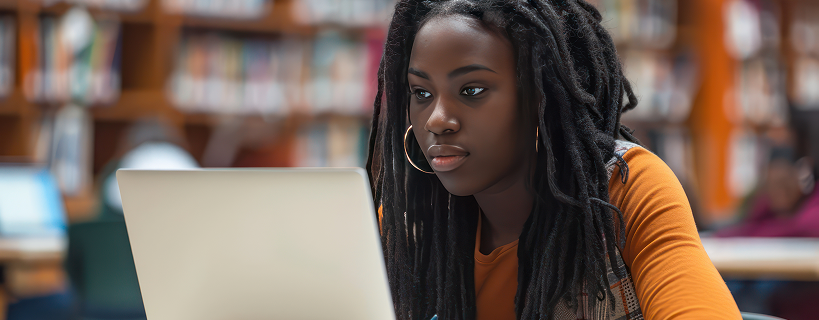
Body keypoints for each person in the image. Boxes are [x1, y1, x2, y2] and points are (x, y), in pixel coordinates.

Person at [364, 1, 741, 319]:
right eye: (422, 92)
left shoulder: (624, 188)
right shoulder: (407, 221)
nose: (436, 120)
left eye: (472, 90)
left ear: (541, 100)